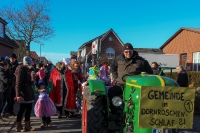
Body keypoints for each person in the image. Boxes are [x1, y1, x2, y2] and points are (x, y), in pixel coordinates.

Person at [108, 43, 153, 115]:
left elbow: (150, 73)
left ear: (133, 51)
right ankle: (115, 112)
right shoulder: (118, 58)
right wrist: (116, 77)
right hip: (121, 84)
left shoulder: (141, 61)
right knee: (111, 92)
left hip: (135, 85)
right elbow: (112, 66)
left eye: (130, 51)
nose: (128, 53)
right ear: (123, 52)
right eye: (126, 52)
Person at [15, 56, 35, 132]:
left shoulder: (27, 70)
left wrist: (32, 81)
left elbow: (27, 81)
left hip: (28, 91)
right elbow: (18, 83)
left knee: (29, 109)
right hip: (23, 93)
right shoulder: (21, 70)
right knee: (22, 109)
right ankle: (18, 126)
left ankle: (27, 125)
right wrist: (18, 95)